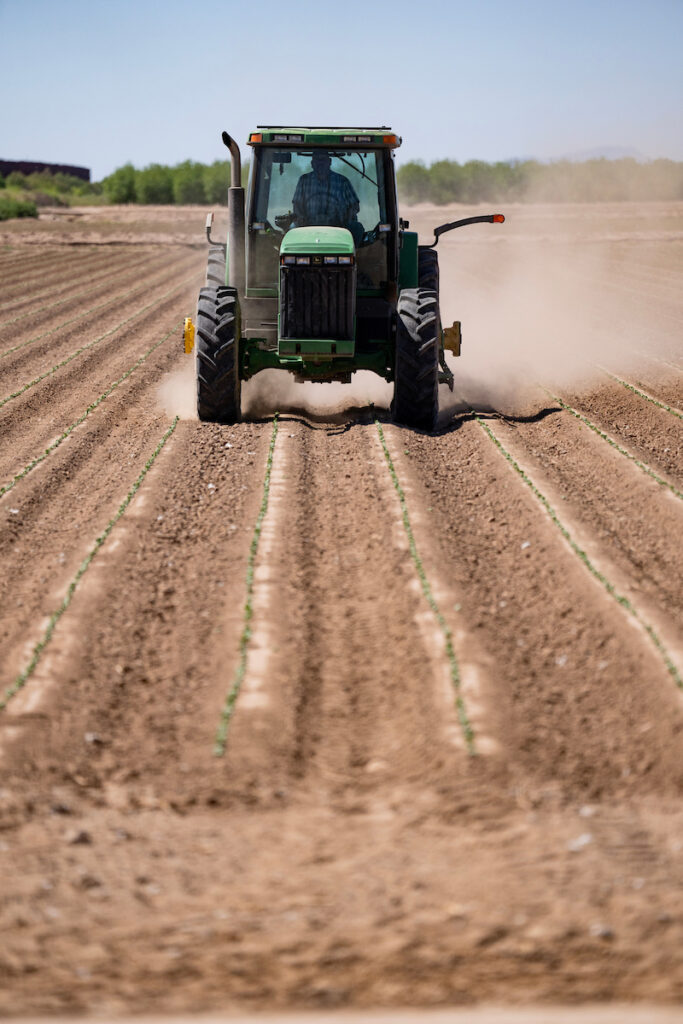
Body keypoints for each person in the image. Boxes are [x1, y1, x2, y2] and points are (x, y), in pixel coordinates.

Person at [292, 151, 364, 243]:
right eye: (317, 160)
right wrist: (300, 217)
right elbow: (297, 204)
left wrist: (347, 217)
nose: (320, 163)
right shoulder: (304, 180)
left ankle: (354, 255)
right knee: (292, 228)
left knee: (357, 228)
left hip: (338, 227)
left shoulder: (342, 181)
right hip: (308, 226)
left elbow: (354, 205)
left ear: (329, 162)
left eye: (323, 160)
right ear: (312, 163)